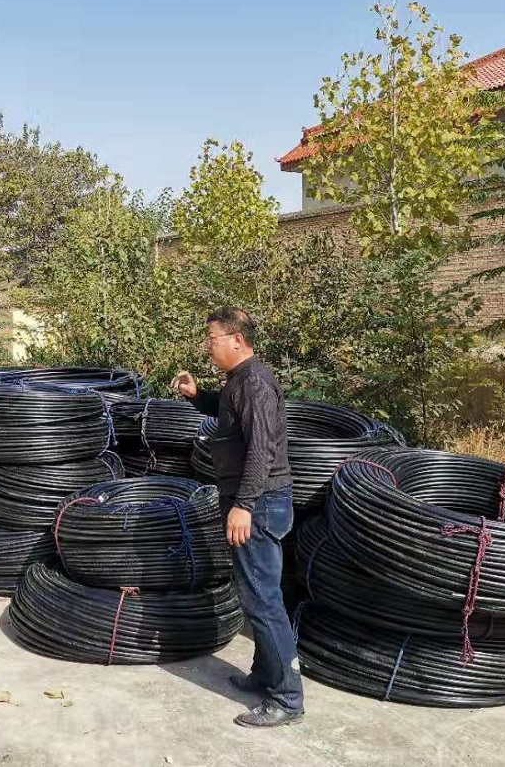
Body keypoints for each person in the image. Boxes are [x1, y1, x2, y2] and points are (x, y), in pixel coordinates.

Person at [171, 306, 304, 729]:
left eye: (212, 339)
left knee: (263, 600)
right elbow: (230, 416)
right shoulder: (238, 382)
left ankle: (287, 698)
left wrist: (244, 505)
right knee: (257, 595)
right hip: (256, 501)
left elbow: (261, 449)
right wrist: (197, 396)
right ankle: (265, 674)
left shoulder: (255, 383)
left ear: (237, 340)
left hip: (259, 504)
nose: (207, 347)